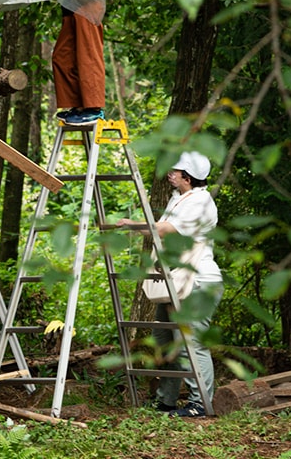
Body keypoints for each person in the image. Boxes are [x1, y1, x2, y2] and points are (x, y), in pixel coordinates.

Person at [116, 151, 223, 417]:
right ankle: (166, 400)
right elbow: (159, 227)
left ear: (188, 177)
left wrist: (132, 225)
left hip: (198, 281)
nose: (170, 174)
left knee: (190, 343)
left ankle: (201, 403)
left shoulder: (200, 202)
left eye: (175, 171)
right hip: (175, 282)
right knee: (164, 341)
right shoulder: (180, 199)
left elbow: (165, 230)